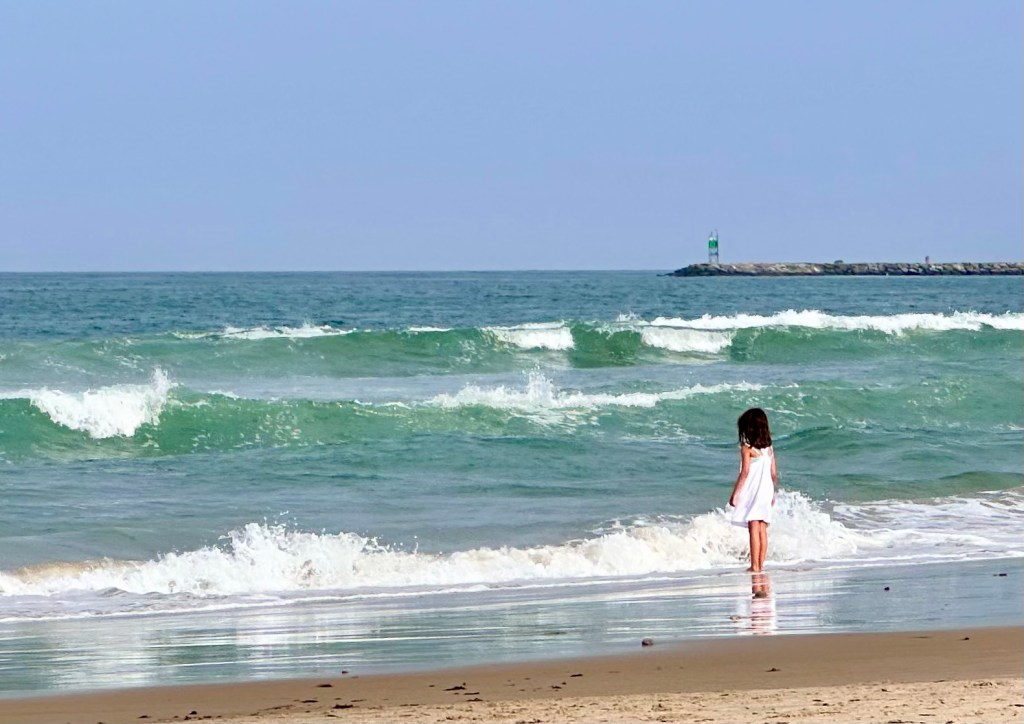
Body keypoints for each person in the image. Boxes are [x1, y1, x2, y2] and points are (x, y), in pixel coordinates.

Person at [728, 408, 778, 572]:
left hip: (754, 491)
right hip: (766, 490)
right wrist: (772, 494)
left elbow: (745, 472)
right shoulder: (769, 448)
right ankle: (760, 564)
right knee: (763, 528)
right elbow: (773, 474)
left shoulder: (747, 448)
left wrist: (735, 494)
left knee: (753, 527)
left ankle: (754, 566)